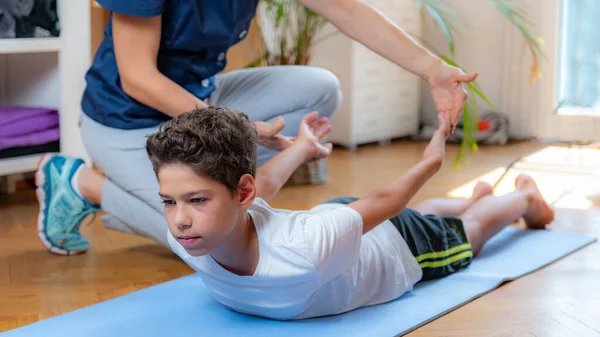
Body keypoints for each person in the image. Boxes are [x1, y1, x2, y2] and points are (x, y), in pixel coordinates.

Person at [35, 0, 478, 255]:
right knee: (200, 239)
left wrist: (432, 68)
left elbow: (344, 8)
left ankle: (222, 202)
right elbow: (137, 77)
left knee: (320, 88)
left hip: (200, 102)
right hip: (126, 122)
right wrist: (238, 127)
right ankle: (80, 183)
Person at [144, 106, 555, 320]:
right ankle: (472, 198)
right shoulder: (186, 237)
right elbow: (263, 187)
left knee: (468, 233)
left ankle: (523, 197)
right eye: (169, 201)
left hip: (393, 248)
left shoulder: (299, 251)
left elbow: (382, 203)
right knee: (417, 216)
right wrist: (303, 150)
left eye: (197, 200)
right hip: (332, 223)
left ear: (240, 193)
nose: (179, 219)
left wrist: (429, 163)